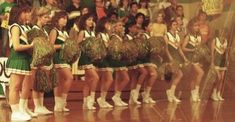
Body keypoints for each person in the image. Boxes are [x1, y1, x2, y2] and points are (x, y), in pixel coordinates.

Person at [6, 5, 33, 121]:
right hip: (17, 59)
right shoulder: (15, 27)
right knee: (15, 87)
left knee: (18, 87)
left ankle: (19, 111)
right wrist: (32, 46)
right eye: (25, 12)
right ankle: (15, 112)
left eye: (28, 12)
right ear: (17, 13)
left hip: (23, 59)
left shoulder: (23, 27)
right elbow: (16, 46)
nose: (27, 14)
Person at [30, 6, 54, 115]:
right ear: (39, 17)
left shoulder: (44, 30)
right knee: (36, 83)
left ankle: (41, 105)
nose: (47, 19)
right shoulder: (34, 29)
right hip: (37, 60)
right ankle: (37, 106)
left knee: (42, 82)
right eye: (45, 17)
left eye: (48, 17)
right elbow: (35, 46)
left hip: (45, 60)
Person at [50, 11, 73, 112]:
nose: (65, 20)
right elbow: (50, 46)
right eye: (62, 18)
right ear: (57, 19)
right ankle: (62, 101)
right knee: (69, 78)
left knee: (59, 81)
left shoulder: (65, 32)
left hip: (64, 58)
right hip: (57, 57)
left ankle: (58, 105)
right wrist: (62, 46)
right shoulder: (54, 31)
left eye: (66, 18)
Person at [77, 13, 99, 110]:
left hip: (91, 58)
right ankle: (91, 100)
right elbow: (78, 45)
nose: (91, 21)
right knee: (95, 77)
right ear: (84, 21)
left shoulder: (92, 32)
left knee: (88, 81)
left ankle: (85, 103)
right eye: (89, 19)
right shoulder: (82, 32)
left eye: (92, 20)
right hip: (85, 57)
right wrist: (86, 48)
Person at [164, 19, 188, 103]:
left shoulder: (177, 36)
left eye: (176, 25)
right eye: (174, 24)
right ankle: (170, 93)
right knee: (177, 75)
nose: (176, 26)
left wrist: (184, 58)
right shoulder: (166, 35)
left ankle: (171, 93)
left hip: (176, 57)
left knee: (177, 75)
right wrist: (170, 58)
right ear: (170, 26)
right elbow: (166, 49)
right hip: (169, 57)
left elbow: (179, 49)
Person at [182, 18, 204, 102]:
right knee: (201, 73)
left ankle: (193, 94)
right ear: (191, 27)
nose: (197, 27)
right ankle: (195, 92)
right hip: (190, 58)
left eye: (198, 25)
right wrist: (192, 50)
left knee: (194, 77)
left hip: (197, 58)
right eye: (195, 26)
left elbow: (200, 48)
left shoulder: (199, 36)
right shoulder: (188, 36)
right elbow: (183, 48)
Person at [109, 20, 130, 107]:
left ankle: (117, 98)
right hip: (117, 59)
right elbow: (114, 48)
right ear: (115, 27)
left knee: (118, 79)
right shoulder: (113, 37)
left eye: (122, 25)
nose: (121, 27)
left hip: (121, 59)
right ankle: (116, 96)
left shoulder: (121, 36)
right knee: (126, 79)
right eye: (119, 25)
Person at [94, 17, 113, 108]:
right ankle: (100, 99)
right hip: (101, 59)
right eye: (107, 23)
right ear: (102, 24)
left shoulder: (107, 35)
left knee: (103, 79)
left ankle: (102, 99)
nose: (108, 25)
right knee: (109, 79)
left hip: (107, 58)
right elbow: (97, 46)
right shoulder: (99, 35)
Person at [210, 29, 228, 101]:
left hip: (223, 61)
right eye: (222, 31)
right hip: (216, 60)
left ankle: (218, 93)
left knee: (222, 79)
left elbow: (226, 52)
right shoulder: (215, 40)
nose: (223, 33)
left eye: (225, 32)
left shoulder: (226, 40)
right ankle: (213, 93)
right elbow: (212, 52)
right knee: (218, 77)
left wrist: (227, 60)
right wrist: (212, 61)